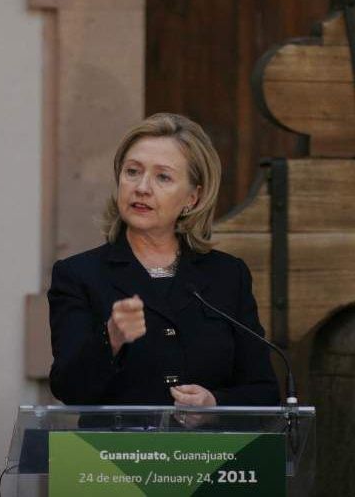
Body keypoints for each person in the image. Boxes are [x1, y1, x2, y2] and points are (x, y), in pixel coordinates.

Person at [48, 113, 279, 407]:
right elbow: (68, 388)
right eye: (132, 171)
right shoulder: (78, 275)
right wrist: (112, 338)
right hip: (115, 451)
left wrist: (214, 404)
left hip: (206, 452)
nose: (142, 187)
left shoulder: (228, 275)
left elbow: (264, 391)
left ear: (192, 198)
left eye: (163, 177)